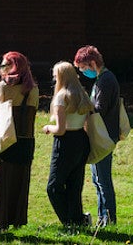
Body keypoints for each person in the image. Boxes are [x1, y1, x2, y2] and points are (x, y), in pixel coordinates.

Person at [0, 51, 39, 233]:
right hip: (26, 138)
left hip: (5, 138)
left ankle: (3, 223)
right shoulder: (32, 89)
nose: (2, 69)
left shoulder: (2, 87)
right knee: (21, 180)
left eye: (5, 65)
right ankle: (18, 220)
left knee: (2, 181)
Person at [74, 45, 120, 227]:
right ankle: (103, 217)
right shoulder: (101, 79)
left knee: (103, 180)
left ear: (92, 63)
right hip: (100, 135)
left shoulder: (106, 80)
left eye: (84, 68)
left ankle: (108, 219)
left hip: (104, 136)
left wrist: (84, 107)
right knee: (97, 179)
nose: (84, 72)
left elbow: (100, 109)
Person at [43, 61, 93, 228]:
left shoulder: (61, 96)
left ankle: (68, 221)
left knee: (53, 186)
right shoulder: (82, 94)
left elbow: (61, 129)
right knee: (74, 184)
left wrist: (48, 127)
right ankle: (78, 220)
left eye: (55, 76)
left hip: (66, 142)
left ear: (60, 77)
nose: (54, 79)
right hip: (82, 139)